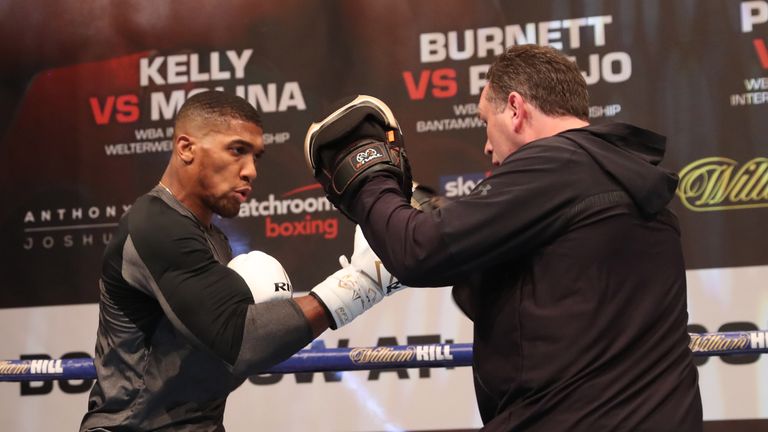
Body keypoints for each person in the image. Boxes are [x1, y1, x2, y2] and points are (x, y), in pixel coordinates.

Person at [305, 45, 703, 431]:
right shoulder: (625, 175)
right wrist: (460, 231)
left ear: (515, 109)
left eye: (484, 122)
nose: (487, 146)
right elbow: (549, 306)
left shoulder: (554, 165)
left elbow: (416, 250)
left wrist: (367, 176)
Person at [80, 90, 400, 431]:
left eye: (256, 157)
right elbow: (239, 342)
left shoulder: (212, 239)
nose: (250, 171)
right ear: (186, 148)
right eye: (237, 151)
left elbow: (223, 362)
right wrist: (361, 285)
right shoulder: (154, 225)